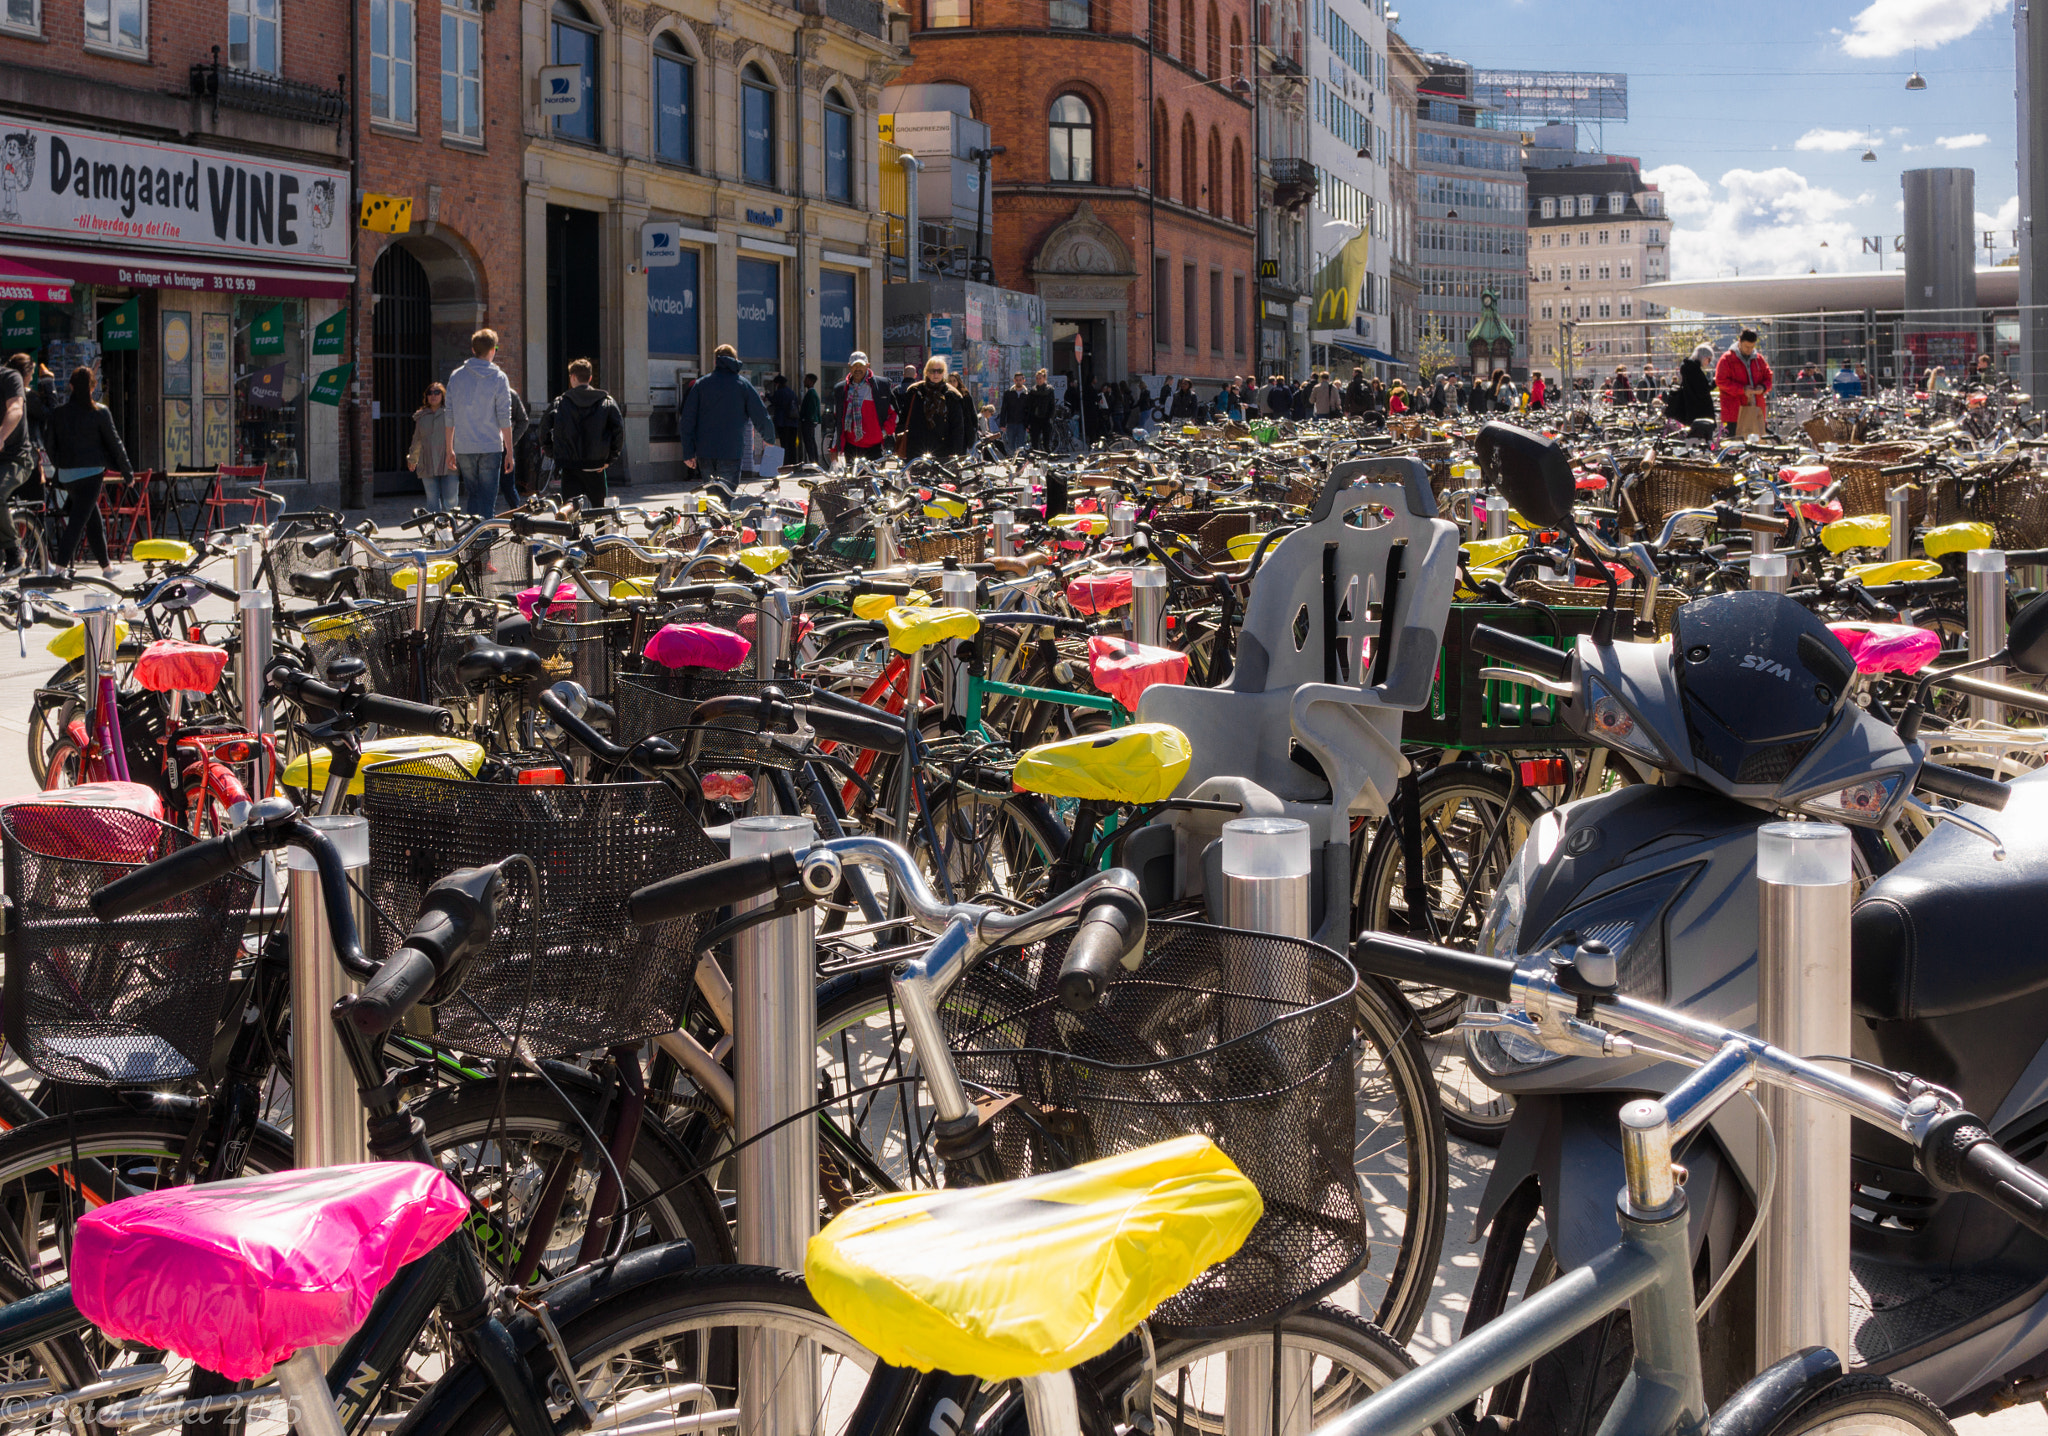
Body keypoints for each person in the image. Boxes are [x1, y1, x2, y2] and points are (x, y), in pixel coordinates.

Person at [44, 366, 131, 579]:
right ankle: (59, 570)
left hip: (66, 476)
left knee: (92, 519)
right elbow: (115, 443)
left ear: (71, 386)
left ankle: (107, 568)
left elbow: (49, 444)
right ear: (92, 387)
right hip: (92, 473)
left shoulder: (58, 413)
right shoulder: (100, 412)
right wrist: (127, 471)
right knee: (78, 521)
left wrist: (60, 464)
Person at [678, 343, 776, 486]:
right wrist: (769, 437)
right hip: (731, 450)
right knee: (727, 497)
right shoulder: (742, 385)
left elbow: (687, 420)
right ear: (735, 359)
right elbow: (760, 414)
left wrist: (688, 452)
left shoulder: (701, 385)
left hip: (705, 451)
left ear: (715, 361)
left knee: (712, 498)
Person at [444, 328, 514, 518]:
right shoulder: (499, 378)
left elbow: (449, 415)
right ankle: (484, 540)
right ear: (493, 350)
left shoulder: (456, 376)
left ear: (473, 350)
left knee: (473, 495)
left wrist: (449, 447)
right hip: (490, 445)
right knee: (488, 499)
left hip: (464, 445)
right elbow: (504, 418)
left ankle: (473, 540)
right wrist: (510, 451)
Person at [543, 358, 626, 508]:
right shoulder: (606, 401)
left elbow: (543, 429)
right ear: (590, 378)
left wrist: (555, 453)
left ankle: (573, 532)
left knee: (570, 513)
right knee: (600, 513)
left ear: (573, 377)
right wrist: (610, 458)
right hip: (596, 466)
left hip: (570, 467)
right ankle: (601, 533)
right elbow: (619, 430)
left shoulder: (561, 402)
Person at [0, 353, 37, 575]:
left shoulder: (10, 377)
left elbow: (15, 409)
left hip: (17, 459)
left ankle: (15, 550)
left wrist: (1, 436)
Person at [829, 352, 894, 465]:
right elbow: (838, 421)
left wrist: (883, 432)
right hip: (851, 448)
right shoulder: (841, 389)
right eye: (854, 365)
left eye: (861, 365)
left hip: (876, 448)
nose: (857, 369)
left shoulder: (882, 385)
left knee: (875, 481)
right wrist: (834, 448)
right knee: (853, 481)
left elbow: (894, 414)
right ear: (849, 366)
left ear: (868, 365)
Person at [406, 382, 456, 512]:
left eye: (437, 392)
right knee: (432, 501)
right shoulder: (421, 416)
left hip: (448, 461)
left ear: (443, 395)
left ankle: (453, 528)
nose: (433, 396)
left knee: (450, 500)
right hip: (427, 462)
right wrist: (412, 459)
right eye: (430, 393)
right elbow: (417, 439)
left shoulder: (450, 413)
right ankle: (436, 530)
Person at [902, 356, 964, 461]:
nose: (936, 374)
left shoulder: (952, 395)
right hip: (916, 449)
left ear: (944, 372)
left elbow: (958, 427)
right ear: (926, 372)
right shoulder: (914, 391)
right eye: (932, 371)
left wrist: (955, 452)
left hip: (944, 450)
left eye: (939, 371)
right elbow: (903, 418)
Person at [1714, 329, 1774, 436]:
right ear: (1739, 342)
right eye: (1747, 347)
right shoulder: (1727, 359)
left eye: (1752, 347)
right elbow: (1720, 381)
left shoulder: (1758, 359)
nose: (1749, 350)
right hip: (1734, 412)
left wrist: (1763, 387)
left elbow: (1768, 377)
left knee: (1758, 445)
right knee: (1736, 445)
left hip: (1756, 409)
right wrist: (1742, 389)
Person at [1667, 343, 1717, 425]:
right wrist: (1714, 383)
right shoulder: (1695, 370)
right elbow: (1702, 390)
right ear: (1704, 357)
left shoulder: (1688, 367)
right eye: (1709, 359)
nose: (1709, 362)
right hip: (1699, 411)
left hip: (1691, 409)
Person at [768, 373, 801, 464]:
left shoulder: (779, 392)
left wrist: (767, 396)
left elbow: (774, 402)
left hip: (783, 423)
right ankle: (793, 463)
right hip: (793, 422)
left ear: (778, 384)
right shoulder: (791, 392)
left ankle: (786, 463)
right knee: (792, 444)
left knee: (784, 444)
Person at [995, 372, 1032, 454]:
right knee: (1011, 444)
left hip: (1022, 424)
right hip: (1010, 422)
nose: (1018, 382)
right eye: (1017, 380)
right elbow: (1004, 408)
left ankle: (1020, 462)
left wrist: (1028, 424)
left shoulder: (1027, 394)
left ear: (1023, 380)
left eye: (1020, 380)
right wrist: (1002, 424)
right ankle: (1013, 461)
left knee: (1021, 445)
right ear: (1014, 381)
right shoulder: (1008, 393)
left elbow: (1029, 411)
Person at [1026, 369, 1057, 451]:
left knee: (1046, 440)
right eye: (1037, 378)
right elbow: (1030, 406)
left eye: (1040, 378)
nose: (1038, 380)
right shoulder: (1033, 391)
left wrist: (1051, 417)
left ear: (1044, 378)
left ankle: (1047, 455)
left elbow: (1052, 405)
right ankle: (1035, 456)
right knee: (1034, 440)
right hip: (1035, 418)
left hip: (1046, 417)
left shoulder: (1049, 390)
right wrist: (1028, 420)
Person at [799, 374, 823, 464]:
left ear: (810, 381)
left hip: (808, 422)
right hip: (811, 421)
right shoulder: (812, 393)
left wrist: (805, 419)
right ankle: (814, 462)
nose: (804, 381)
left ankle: (813, 462)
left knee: (809, 442)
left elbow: (811, 409)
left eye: (806, 379)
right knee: (811, 442)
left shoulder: (811, 394)